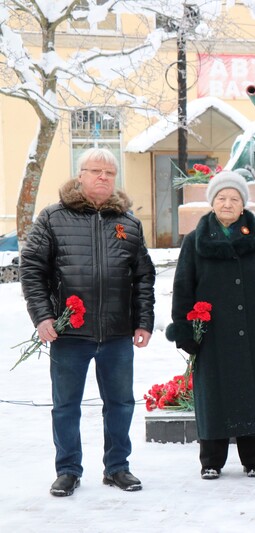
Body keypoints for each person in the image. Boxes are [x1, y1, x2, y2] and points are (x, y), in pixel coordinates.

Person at [19, 148, 155, 497]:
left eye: (109, 173)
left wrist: (143, 321)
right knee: (66, 406)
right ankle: (67, 470)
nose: (103, 177)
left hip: (117, 333)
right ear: (80, 175)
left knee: (121, 404)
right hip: (69, 334)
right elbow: (32, 268)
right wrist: (43, 316)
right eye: (96, 171)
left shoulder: (129, 223)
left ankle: (117, 467)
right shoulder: (53, 217)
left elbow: (143, 276)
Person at [166, 171, 255, 480]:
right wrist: (185, 328)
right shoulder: (195, 240)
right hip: (212, 333)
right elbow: (183, 287)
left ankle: (253, 459)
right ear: (212, 202)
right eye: (222, 198)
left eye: (234, 199)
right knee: (213, 395)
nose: (228, 203)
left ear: (243, 205)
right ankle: (211, 460)